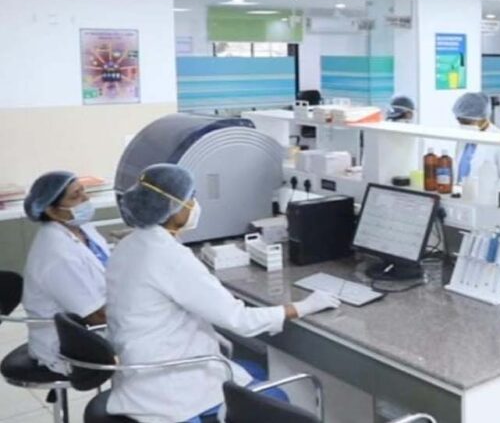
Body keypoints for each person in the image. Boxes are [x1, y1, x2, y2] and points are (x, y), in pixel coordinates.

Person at [106, 163, 340, 423]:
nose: (194, 204)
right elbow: (239, 320)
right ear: (173, 208)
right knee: (276, 397)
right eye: (190, 198)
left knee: (250, 370)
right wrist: (303, 307)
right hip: (172, 393)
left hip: (138, 376)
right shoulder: (170, 257)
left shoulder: (128, 244)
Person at [22, 171, 109, 374]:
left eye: (83, 191)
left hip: (98, 322)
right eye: (75, 196)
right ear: (52, 211)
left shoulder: (82, 229)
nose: (86, 199)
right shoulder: (57, 254)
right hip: (69, 344)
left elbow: (104, 266)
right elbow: (96, 316)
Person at [452, 92, 500, 192]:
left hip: (485, 197)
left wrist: (484, 189)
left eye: (467, 122)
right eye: (460, 121)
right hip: (460, 195)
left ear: (483, 119)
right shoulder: (464, 136)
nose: (464, 125)